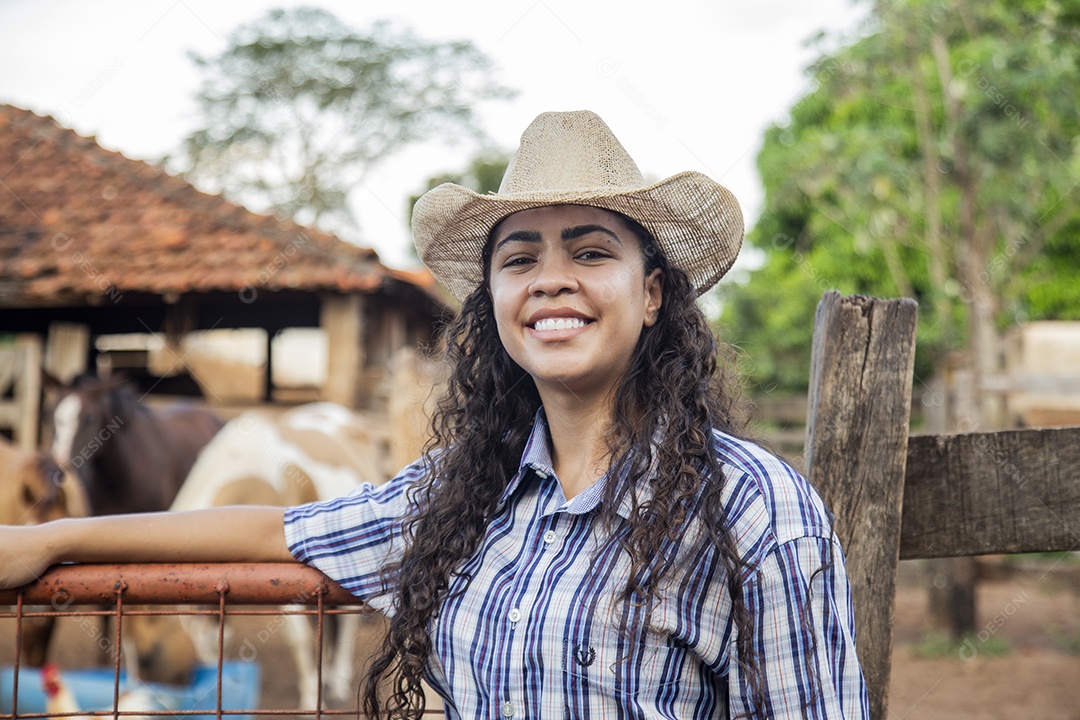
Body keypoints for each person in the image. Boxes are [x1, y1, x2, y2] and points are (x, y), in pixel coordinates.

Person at [0, 110, 868, 719]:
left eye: (591, 251)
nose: (551, 279)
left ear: (650, 296)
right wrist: (54, 543)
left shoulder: (758, 514)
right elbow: (281, 532)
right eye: (519, 257)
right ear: (493, 301)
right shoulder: (461, 498)